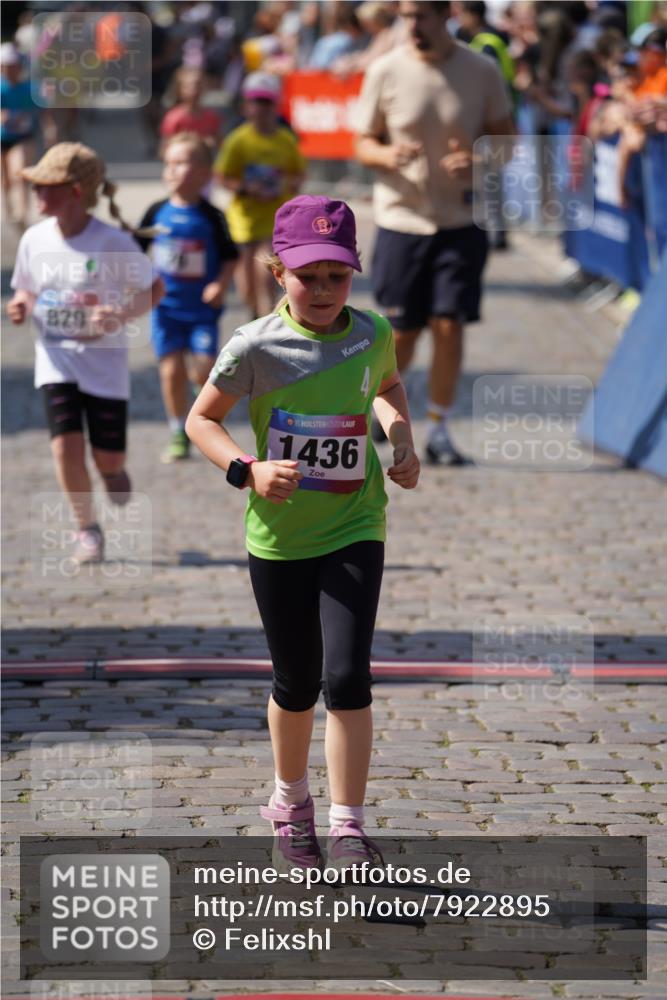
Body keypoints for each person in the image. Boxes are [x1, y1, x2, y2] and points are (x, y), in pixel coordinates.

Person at [185, 195, 420, 871]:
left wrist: (400, 437)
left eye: (336, 276)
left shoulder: (372, 332)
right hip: (280, 536)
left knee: (346, 676)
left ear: (354, 273)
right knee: (295, 680)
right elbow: (201, 420)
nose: (322, 289)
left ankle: (349, 825)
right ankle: (290, 803)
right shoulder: (254, 344)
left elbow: (387, 386)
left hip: (355, 522)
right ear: (277, 272)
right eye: (307, 276)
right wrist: (247, 470)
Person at [356, 0, 514, 465]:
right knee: (402, 333)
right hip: (401, 219)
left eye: (422, 15)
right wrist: (387, 156)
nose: (413, 25)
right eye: (406, 16)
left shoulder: (481, 70)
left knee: (449, 325)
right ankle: (384, 406)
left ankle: (439, 430)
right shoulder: (385, 69)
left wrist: (479, 159)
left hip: (460, 220)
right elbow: (362, 142)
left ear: (446, 14)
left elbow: (507, 140)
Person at [7, 143, 164, 563]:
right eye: (35, 185)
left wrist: (121, 314)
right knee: (65, 447)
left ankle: (112, 471)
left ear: (75, 191)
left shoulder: (112, 242)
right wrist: (21, 304)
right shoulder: (34, 238)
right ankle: (86, 529)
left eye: (46, 186)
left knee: (106, 457)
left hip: (104, 366)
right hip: (56, 360)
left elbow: (154, 288)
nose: (37, 193)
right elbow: (26, 288)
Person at [137, 132, 238, 463]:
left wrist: (220, 284)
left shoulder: (213, 216)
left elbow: (231, 256)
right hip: (165, 310)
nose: (171, 169)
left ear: (204, 174)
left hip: (202, 311)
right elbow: (134, 252)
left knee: (205, 368)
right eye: (168, 163)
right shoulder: (156, 212)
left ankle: (199, 404)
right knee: (170, 372)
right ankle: (178, 431)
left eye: (181, 163)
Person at [214, 71, 306, 320]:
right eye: (256, 102)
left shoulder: (285, 140)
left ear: (276, 105)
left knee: (265, 276)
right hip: (244, 221)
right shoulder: (238, 140)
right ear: (246, 106)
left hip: (275, 219)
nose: (261, 108)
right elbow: (222, 176)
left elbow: (299, 174)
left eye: (267, 102)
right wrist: (247, 188)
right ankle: (254, 315)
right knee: (247, 288)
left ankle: (267, 323)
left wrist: (288, 185)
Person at [1, 42, 39, 230]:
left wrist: (51, 130)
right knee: (5, 179)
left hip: (24, 137)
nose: (10, 70)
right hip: (3, 139)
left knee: (20, 173)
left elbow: (43, 110)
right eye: (6, 66)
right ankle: (8, 211)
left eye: (13, 66)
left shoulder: (29, 88)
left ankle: (23, 213)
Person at [159, 66, 223, 154]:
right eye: (189, 86)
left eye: (198, 85)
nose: (194, 90)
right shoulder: (173, 118)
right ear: (179, 89)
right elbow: (164, 148)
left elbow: (220, 143)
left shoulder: (211, 116)